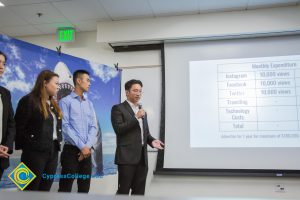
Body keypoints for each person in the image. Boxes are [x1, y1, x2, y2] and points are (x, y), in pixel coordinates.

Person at [111, 79, 164, 195]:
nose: (138, 93)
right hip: (126, 159)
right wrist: (135, 117)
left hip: (142, 159)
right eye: (135, 90)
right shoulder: (118, 108)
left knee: (139, 193)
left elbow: (146, 133)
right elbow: (119, 129)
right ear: (127, 92)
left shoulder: (142, 110)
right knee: (123, 192)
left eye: (140, 91)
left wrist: (152, 141)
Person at [14, 70, 62, 191]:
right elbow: (17, 128)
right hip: (33, 153)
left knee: (45, 191)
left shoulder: (54, 105)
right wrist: (32, 145)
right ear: (45, 83)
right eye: (56, 83)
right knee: (25, 191)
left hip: (53, 151)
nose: (58, 86)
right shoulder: (27, 100)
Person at [58, 70, 97, 193]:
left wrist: (87, 147)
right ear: (78, 81)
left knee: (84, 189)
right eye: (88, 80)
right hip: (71, 152)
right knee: (65, 188)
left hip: (87, 152)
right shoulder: (65, 101)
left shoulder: (89, 104)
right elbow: (65, 126)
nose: (90, 83)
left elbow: (93, 127)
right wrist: (82, 146)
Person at [0, 51, 16, 181]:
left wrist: (7, 145)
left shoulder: (5, 93)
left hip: (2, 155)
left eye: (3, 63)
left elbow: (11, 123)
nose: (1, 67)